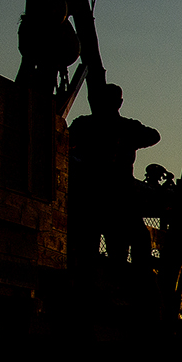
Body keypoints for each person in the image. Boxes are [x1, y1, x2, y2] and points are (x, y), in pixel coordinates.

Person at [67, 83, 161, 281]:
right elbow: (154, 136)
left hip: (89, 196)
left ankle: (89, 280)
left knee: (88, 245)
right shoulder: (127, 127)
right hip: (120, 196)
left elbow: (66, 140)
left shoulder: (84, 125)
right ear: (119, 103)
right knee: (134, 241)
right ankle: (135, 281)